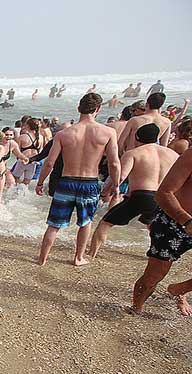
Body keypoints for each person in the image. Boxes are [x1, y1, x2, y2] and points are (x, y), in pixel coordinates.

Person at [35, 93, 120, 266]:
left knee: (54, 224)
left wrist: (40, 182)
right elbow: (114, 163)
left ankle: (42, 258)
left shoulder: (63, 134)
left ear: (78, 108)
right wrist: (116, 185)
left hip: (66, 182)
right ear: (98, 109)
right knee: (85, 222)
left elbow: (49, 162)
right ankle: (78, 258)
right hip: (89, 183)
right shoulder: (108, 132)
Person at [89, 124, 178, 258]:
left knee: (105, 223)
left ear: (137, 138)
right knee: (152, 226)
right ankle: (155, 255)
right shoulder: (172, 154)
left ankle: (92, 254)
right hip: (162, 197)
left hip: (140, 195)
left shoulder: (133, 153)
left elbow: (120, 178)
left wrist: (105, 193)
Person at [132, 147, 192, 315]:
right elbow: (163, 193)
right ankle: (136, 310)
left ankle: (178, 290)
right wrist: (186, 220)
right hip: (175, 221)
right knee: (153, 276)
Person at [11, 118, 42, 185]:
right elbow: (41, 151)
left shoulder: (22, 137)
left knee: (15, 179)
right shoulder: (41, 137)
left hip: (23, 160)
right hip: (33, 162)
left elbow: (17, 152)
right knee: (27, 182)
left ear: (28, 126)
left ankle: (16, 194)